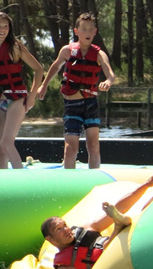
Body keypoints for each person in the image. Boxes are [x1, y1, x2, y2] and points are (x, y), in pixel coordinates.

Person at [40, 143, 153, 269]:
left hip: (121, 244)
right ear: (50, 239)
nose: (66, 229)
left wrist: (146, 185)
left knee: (145, 209)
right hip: (114, 266)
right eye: (59, 229)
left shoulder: (83, 231)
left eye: (64, 225)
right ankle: (119, 224)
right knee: (113, 239)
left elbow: (120, 206)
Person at [37, 13, 116, 169]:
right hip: (72, 104)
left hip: (91, 104)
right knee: (70, 147)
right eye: (83, 29)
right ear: (76, 31)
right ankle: (68, 179)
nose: (87, 33)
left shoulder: (99, 54)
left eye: (90, 29)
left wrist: (107, 81)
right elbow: (55, 67)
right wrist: (44, 85)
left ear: (95, 32)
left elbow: (110, 74)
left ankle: (94, 176)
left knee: (93, 144)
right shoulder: (67, 51)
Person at [0, 12, 45, 169]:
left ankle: (20, 180)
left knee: (6, 142)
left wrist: (32, 96)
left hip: (16, 99)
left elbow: (38, 70)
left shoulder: (15, 47)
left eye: (6, 26)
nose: (2, 29)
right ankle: (4, 187)